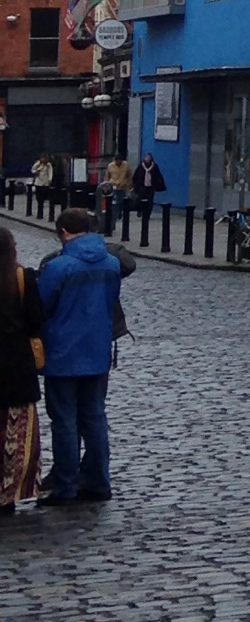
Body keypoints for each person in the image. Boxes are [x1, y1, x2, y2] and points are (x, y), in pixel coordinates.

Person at [36, 207, 125, 507]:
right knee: (95, 419)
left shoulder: (58, 267)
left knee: (64, 421)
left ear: (63, 233)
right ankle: (99, 482)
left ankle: (66, 486)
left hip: (63, 354)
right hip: (97, 352)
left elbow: (41, 306)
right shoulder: (111, 263)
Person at [0, 225, 45, 512]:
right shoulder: (21, 278)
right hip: (16, 365)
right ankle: (8, 493)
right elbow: (36, 320)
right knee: (15, 433)